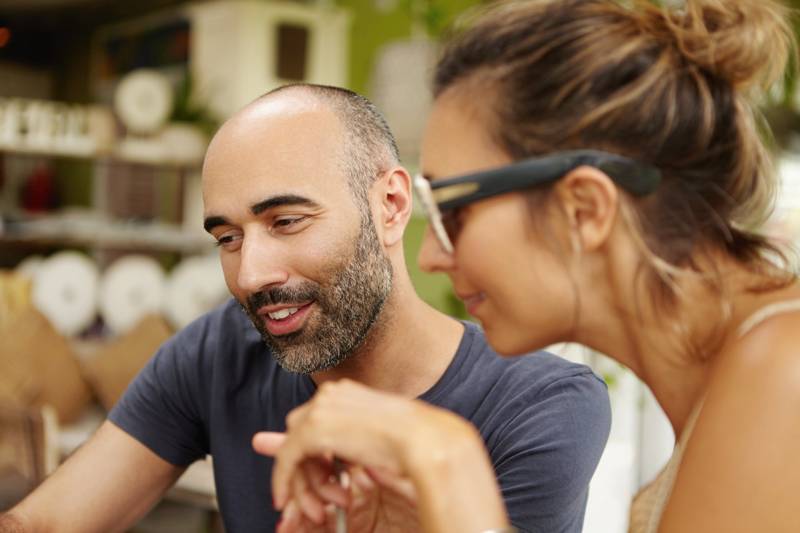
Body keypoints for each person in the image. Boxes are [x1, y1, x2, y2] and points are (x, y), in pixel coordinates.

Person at [257, 1, 800, 532]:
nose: (430, 257)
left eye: (451, 211)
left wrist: (448, 461)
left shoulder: (783, 373)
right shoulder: (741, 382)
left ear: (583, 209)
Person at [0, 84, 611, 533]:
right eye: (227, 238)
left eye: (287, 221)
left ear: (392, 206)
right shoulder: (216, 353)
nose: (250, 275)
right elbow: (43, 523)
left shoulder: (540, 405)